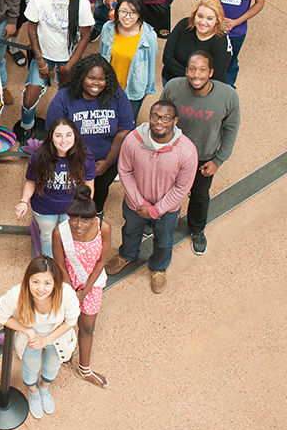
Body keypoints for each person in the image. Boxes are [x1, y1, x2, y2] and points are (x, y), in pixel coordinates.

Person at [107, 100, 198, 294]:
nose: (159, 122)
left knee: (164, 240)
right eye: (155, 116)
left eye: (166, 118)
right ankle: (127, 254)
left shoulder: (187, 151)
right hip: (135, 204)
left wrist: (156, 210)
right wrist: (140, 203)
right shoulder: (133, 140)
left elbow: (182, 188)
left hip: (167, 209)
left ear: (175, 120)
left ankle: (159, 268)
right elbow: (124, 171)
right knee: (131, 231)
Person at [162, 51, 240, 255]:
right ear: (186, 70)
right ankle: (161, 221)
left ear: (211, 72)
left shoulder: (228, 96)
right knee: (167, 190)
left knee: (199, 195)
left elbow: (231, 129)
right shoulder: (173, 87)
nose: (196, 74)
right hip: (173, 153)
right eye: (192, 69)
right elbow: (161, 116)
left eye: (202, 70)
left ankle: (197, 229)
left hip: (204, 157)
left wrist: (219, 160)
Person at [46, 55, 134, 214]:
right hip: (70, 164)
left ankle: (96, 215)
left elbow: (123, 131)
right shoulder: (64, 97)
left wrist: (107, 162)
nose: (96, 83)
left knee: (99, 192)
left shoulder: (117, 95)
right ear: (81, 78)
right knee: (71, 198)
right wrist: (72, 162)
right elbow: (53, 133)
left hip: (106, 165)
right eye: (91, 77)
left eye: (102, 78)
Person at [18, 0, 93, 148]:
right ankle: (27, 129)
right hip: (44, 55)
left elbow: (85, 37)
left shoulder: (81, 1)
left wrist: (69, 66)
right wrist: (40, 60)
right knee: (29, 99)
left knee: (70, 99)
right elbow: (32, 28)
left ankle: (65, 133)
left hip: (69, 58)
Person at [0, 256, 80, 419]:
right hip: (30, 340)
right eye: (35, 282)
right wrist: (29, 331)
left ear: (55, 283)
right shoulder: (18, 293)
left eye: (47, 283)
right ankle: (33, 392)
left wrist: (47, 339)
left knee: (53, 363)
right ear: (28, 280)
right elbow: (1, 316)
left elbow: (71, 320)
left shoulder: (65, 293)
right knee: (30, 366)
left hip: (57, 337)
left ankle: (44, 388)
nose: (41, 289)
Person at [51, 185, 111, 388]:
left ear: (94, 218)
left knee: (88, 327)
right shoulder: (59, 232)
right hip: (66, 283)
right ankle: (62, 352)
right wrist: (71, 290)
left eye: (85, 219)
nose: (78, 225)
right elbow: (59, 264)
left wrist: (84, 292)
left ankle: (84, 369)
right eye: (74, 218)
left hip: (91, 285)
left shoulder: (104, 228)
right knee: (61, 322)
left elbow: (102, 262)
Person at [15, 117, 96, 257]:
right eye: (58, 135)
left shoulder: (85, 156)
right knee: (47, 236)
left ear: (75, 135)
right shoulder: (40, 156)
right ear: (51, 137)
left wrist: (86, 206)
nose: (64, 140)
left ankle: (66, 260)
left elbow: (89, 183)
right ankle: (49, 261)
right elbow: (31, 182)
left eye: (68, 135)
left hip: (72, 208)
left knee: (69, 235)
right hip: (44, 208)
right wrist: (23, 201)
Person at [99, 0, 157, 121]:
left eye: (133, 13)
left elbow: (151, 65)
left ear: (140, 14)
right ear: (117, 11)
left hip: (133, 89)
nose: (127, 17)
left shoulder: (149, 36)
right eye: (123, 11)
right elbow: (102, 58)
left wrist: (148, 90)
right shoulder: (108, 28)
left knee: (127, 124)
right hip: (109, 87)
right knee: (106, 122)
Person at [162, 0, 232, 85]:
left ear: (217, 20)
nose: (203, 22)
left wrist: (192, 79)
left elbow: (216, 76)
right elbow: (167, 58)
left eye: (209, 18)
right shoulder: (183, 25)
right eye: (200, 16)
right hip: (173, 81)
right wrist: (192, 77)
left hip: (202, 90)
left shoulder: (221, 41)